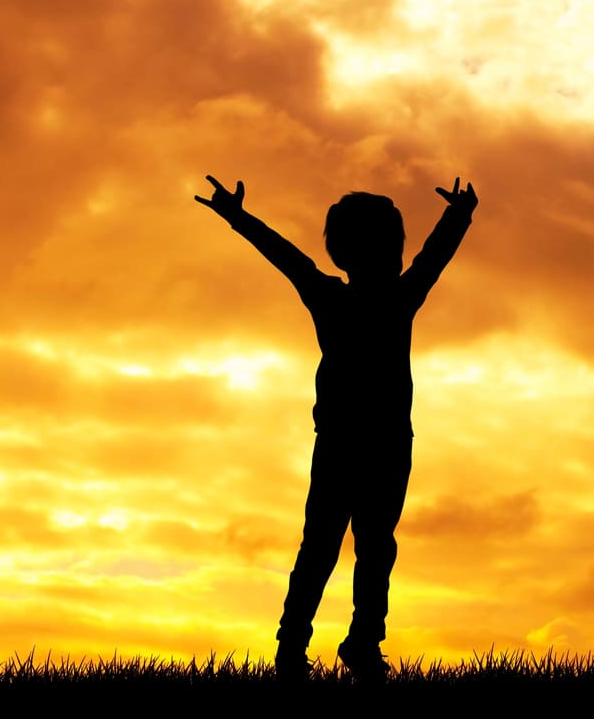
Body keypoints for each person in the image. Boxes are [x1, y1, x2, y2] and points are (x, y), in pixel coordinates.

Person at [195, 171, 479, 682]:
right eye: (390, 245)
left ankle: (322, 646)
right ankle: (340, 645)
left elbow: (287, 257)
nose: (394, 256)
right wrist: (458, 216)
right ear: (381, 252)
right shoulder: (395, 297)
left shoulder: (341, 295)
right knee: (362, 546)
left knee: (338, 546)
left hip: (361, 444)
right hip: (373, 444)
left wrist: (238, 218)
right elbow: (430, 260)